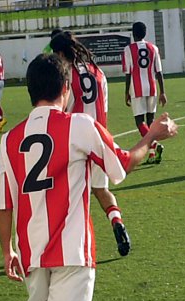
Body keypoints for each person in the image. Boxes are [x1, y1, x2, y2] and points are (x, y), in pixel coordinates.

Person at [0, 53, 177, 301]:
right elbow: (122, 165)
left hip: (32, 250)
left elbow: (3, 203)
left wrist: (7, 249)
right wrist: (151, 136)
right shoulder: (78, 124)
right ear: (66, 89)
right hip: (72, 249)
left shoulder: (10, 139)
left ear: (30, 92)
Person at [51, 31, 132, 257]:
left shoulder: (66, 75)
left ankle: (69, 244)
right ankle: (117, 221)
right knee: (101, 190)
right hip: (98, 140)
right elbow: (103, 111)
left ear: (60, 53)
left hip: (75, 142)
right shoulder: (99, 72)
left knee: (70, 197)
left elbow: (62, 111)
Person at [122, 21, 167, 164]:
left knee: (140, 122)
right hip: (152, 87)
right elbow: (159, 72)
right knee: (150, 122)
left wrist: (126, 92)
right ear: (145, 33)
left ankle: (155, 145)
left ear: (133, 33)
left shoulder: (129, 49)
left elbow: (128, 73)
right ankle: (152, 155)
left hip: (137, 89)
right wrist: (162, 92)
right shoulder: (153, 48)